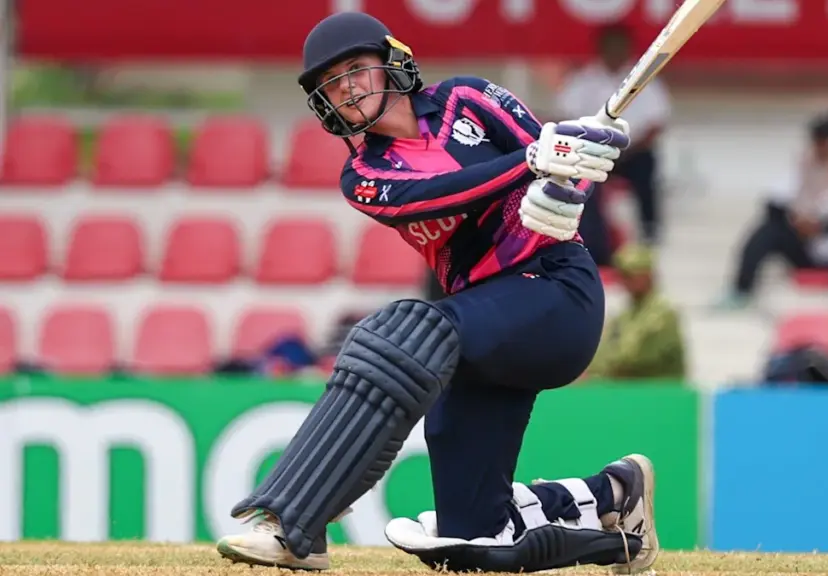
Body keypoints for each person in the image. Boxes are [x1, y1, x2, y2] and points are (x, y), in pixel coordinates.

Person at [215, 11, 658, 574]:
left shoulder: (468, 98)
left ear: (392, 62)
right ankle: (615, 502)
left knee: (404, 329)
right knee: (472, 541)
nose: (346, 87)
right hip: (481, 333)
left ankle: (296, 525)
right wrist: (529, 163)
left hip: (555, 292)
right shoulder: (364, 176)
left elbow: (564, 166)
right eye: (330, 82)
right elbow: (440, 194)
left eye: (355, 68)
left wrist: (572, 181)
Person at [713, 112, 828, 340]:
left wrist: (821, 227)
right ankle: (741, 291)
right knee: (768, 231)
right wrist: (797, 222)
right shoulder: (805, 167)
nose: (823, 149)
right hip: (815, 246)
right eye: (819, 142)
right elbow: (773, 203)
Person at [558, 23, 672, 247]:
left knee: (646, 166)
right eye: (611, 47)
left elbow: (657, 123)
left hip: (632, 151)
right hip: (591, 151)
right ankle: (586, 233)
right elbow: (567, 118)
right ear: (601, 48)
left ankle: (650, 228)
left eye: (620, 47)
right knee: (577, 177)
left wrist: (628, 149)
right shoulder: (584, 80)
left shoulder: (645, 78)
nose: (615, 53)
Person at [585, 244, 686, 381]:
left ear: (648, 275)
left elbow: (631, 359)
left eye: (630, 275)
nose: (625, 281)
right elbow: (600, 354)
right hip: (627, 389)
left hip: (659, 389)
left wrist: (600, 368)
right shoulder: (624, 315)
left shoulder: (664, 313)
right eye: (622, 275)